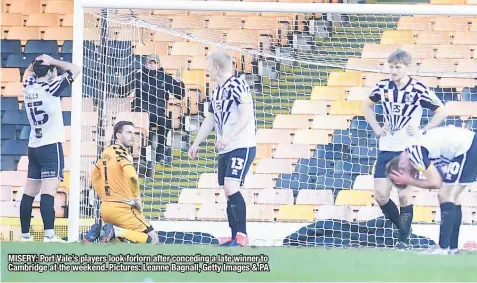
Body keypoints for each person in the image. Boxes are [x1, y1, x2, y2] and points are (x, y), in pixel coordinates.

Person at [362, 49, 448, 249]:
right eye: (391, 67)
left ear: (408, 68)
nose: (393, 71)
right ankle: (402, 231)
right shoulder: (382, 86)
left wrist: (423, 129)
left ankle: (402, 240)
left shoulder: (418, 89)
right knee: (381, 196)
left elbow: (442, 111)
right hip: (386, 148)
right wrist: (376, 127)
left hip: (408, 150)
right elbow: (366, 106)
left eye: (397, 67)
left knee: (403, 195)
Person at [188, 51, 256, 247]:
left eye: (209, 66)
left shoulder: (238, 84)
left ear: (216, 67)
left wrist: (229, 137)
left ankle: (242, 235)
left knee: (231, 187)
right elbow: (210, 119)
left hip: (241, 145)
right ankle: (235, 236)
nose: (207, 70)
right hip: (225, 148)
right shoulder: (216, 90)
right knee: (227, 191)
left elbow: (246, 114)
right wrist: (196, 142)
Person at [386, 126, 477, 255]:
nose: (415, 174)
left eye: (411, 174)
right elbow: (439, 181)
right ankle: (452, 248)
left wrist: (409, 180)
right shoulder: (420, 150)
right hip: (466, 146)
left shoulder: (414, 152)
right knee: (452, 197)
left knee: (445, 194)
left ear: (401, 166)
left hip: (466, 147)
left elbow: (435, 183)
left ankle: (443, 247)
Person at [20, 54, 81, 242]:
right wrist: (52, 60)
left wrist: (38, 62)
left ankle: (25, 236)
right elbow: (75, 69)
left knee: (29, 192)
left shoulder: (28, 86)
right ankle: (49, 235)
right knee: (48, 191)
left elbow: (28, 72)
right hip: (50, 145)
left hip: (34, 146)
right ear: (51, 72)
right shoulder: (51, 87)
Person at [91, 121, 159, 244]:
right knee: (153, 240)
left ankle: (110, 232)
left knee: (117, 247)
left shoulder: (106, 152)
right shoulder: (120, 152)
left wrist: (103, 195)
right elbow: (132, 176)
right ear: (118, 135)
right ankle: (116, 232)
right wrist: (136, 198)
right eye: (128, 132)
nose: (133, 136)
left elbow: (94, 175)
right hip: (122, 208)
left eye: (134, 133)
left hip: (106, 208)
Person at [118, 55, 185, 165]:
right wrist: (121, 83)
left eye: (155, 63)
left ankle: (161, 153)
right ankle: (145, 154)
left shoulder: (165, 77)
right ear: (145, 64)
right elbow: (123, 93)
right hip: (141, 112)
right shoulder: (138, 76)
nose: (152, 65)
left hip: (159, 112)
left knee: (165, 123)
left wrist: (179, 82)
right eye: (150, 63)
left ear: (159, 65)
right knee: (145, 126)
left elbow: (179, 94)